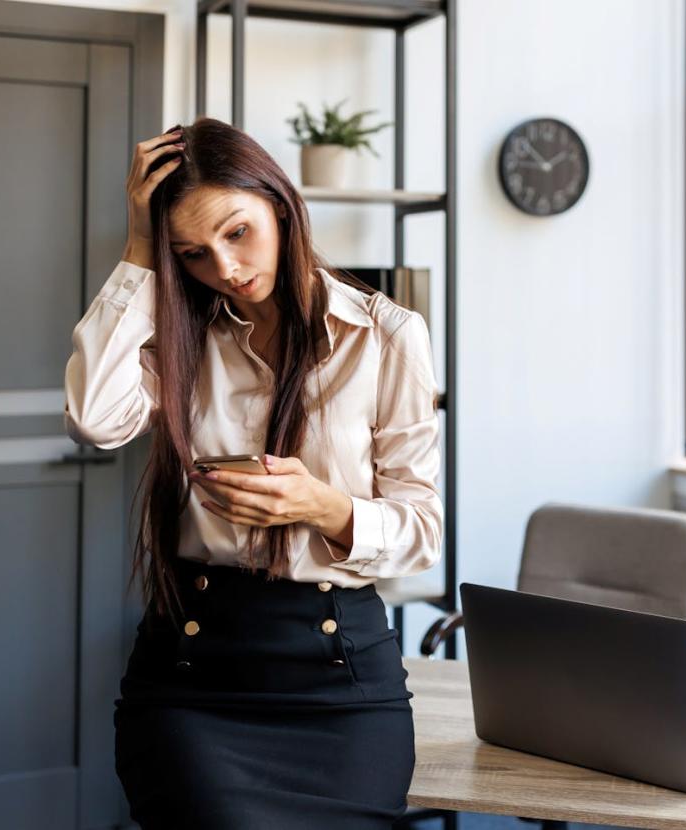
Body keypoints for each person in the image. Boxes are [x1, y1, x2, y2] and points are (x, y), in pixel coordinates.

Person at [63, 117, 442, 829]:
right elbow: (95, 417)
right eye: (193, 253)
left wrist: (322, 505)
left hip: (341, 679)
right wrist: (142, 249)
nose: (226, 268)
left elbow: (422, 531)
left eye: (238, 232)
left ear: (279, 202)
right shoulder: (183, 335)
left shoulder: (388, 335)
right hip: (193, 676)